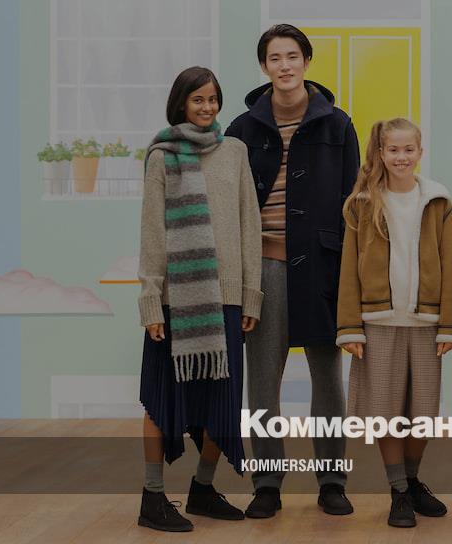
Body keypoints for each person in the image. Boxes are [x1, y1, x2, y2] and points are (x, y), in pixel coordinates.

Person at [225, 24, 359, 518]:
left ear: (306, 61)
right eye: (275, 58)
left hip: (322, 266)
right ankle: (267, 484)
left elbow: (353, 204)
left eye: (292, 56)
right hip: (261, 267)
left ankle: (332, 481)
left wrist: (347, 275)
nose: (284, 65)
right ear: (264, 66)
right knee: (263, 381)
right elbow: (228, 205)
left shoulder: (337, 124)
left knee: (329, 378)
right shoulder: (241, 129)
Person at [137, 66, 262, 532]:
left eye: (212, 99)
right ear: (181, 104)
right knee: (160, 401)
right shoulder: (162, 155)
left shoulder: (235, 151)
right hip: (177, 303)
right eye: (198, 100)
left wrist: (250, 296)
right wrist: (151, 300)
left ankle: (203, 489)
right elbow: (153, 230)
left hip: (226, 298)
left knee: (221, 404)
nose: (207, 107)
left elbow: (249, 223)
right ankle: (152, 498)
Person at [336, 118, 452, 528]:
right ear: (381, 153)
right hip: (378, 324)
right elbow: (348, 268)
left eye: (409, 150)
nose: (401, 157)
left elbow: (451, 264)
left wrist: (451, 325)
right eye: (393, 150)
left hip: (426, 324)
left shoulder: (438, 201)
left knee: (422, 413)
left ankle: (411, 481)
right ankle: (398, 490)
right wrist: (349, 326)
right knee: (386, 411)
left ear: (420, 152)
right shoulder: (362, 203)